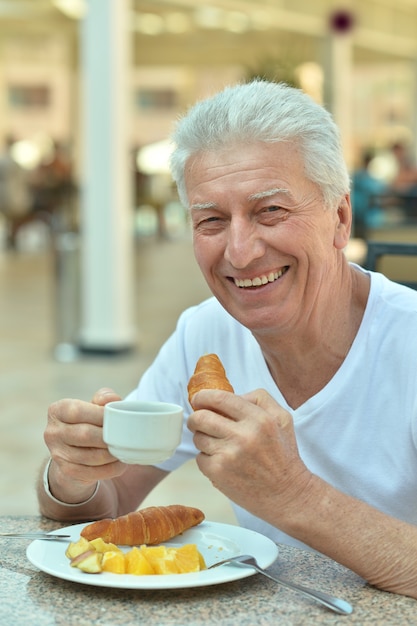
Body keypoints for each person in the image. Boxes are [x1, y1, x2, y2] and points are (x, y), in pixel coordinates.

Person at [37, 80, 417, 599]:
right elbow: (105, 507)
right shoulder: (205, 332)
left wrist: (292, 494)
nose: (239, 252)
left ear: (340, 218)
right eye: (211, 220)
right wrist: (71, 474)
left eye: (271, 211)